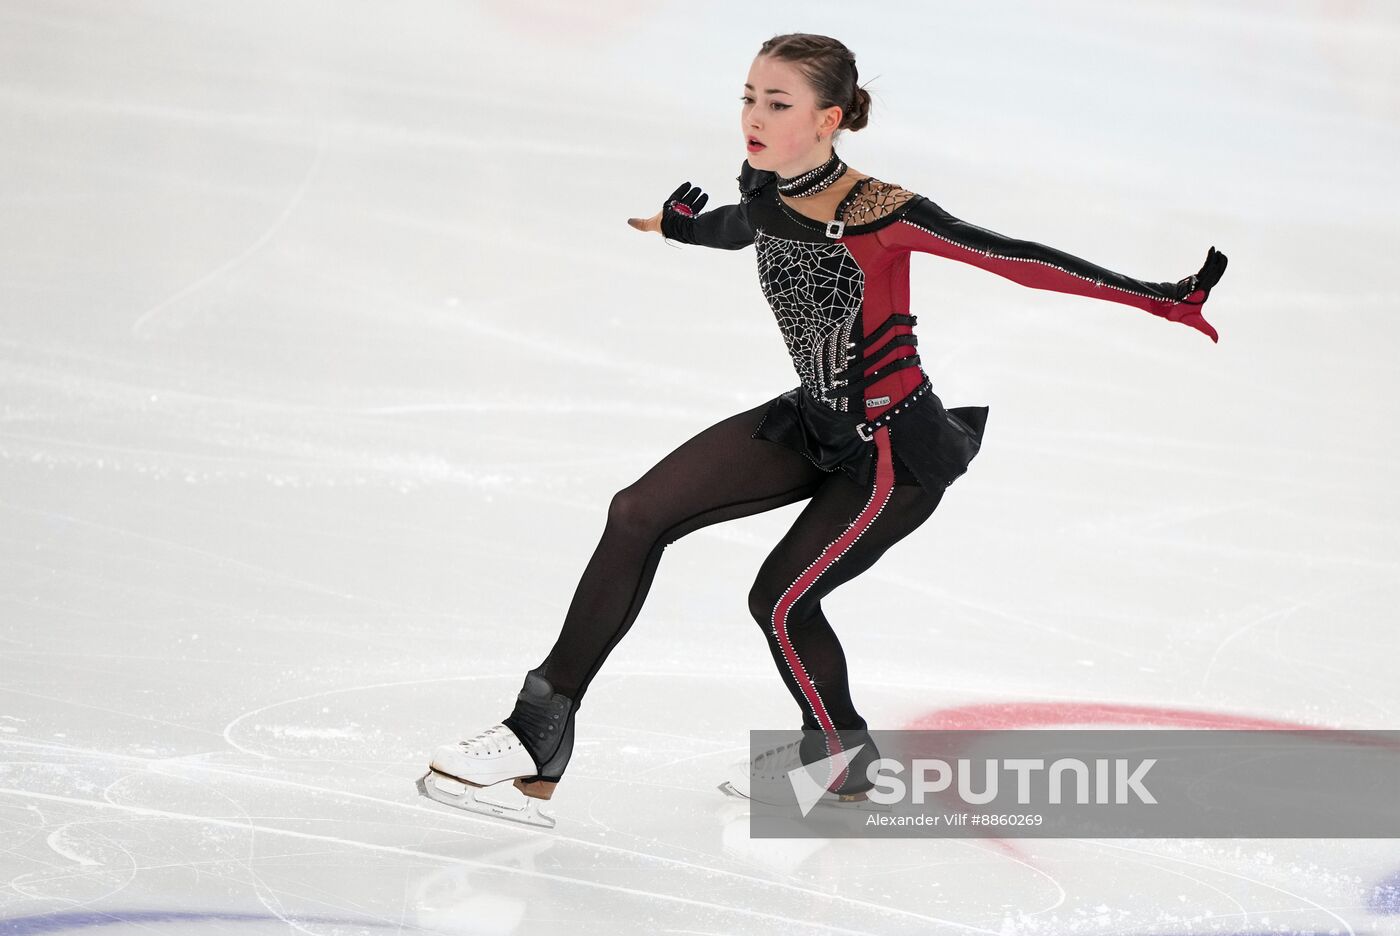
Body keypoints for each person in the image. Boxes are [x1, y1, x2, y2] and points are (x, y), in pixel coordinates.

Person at [417, 33, 1228, 828]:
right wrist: (680, 227)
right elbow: (747, 224)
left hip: (892, 451)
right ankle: (538, 729)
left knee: (779, 602)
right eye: (748, 97)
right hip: (812, 421)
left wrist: (1163, 298)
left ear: (829, 119)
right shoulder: (767, 185)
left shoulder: (882, 214)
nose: (754, 116)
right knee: (636, 512)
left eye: (778, 103)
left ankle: (843, 758)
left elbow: (1014, 258)